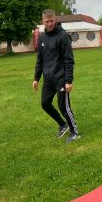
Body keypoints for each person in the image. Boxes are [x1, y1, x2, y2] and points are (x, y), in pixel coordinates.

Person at [33, 9, 80, 143]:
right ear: (43, 22)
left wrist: (68, 80)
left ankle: (74, 131)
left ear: (55, 20)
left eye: (52, 21)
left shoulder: (63, 37)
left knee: (63, 106)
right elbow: (40, 60)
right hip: (48, 79)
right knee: (45, 103)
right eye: (47, 21)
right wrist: (36, 78)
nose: (49, 24)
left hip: (61, 79)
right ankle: (62, 124)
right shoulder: (41, 38)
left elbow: (69, 60)